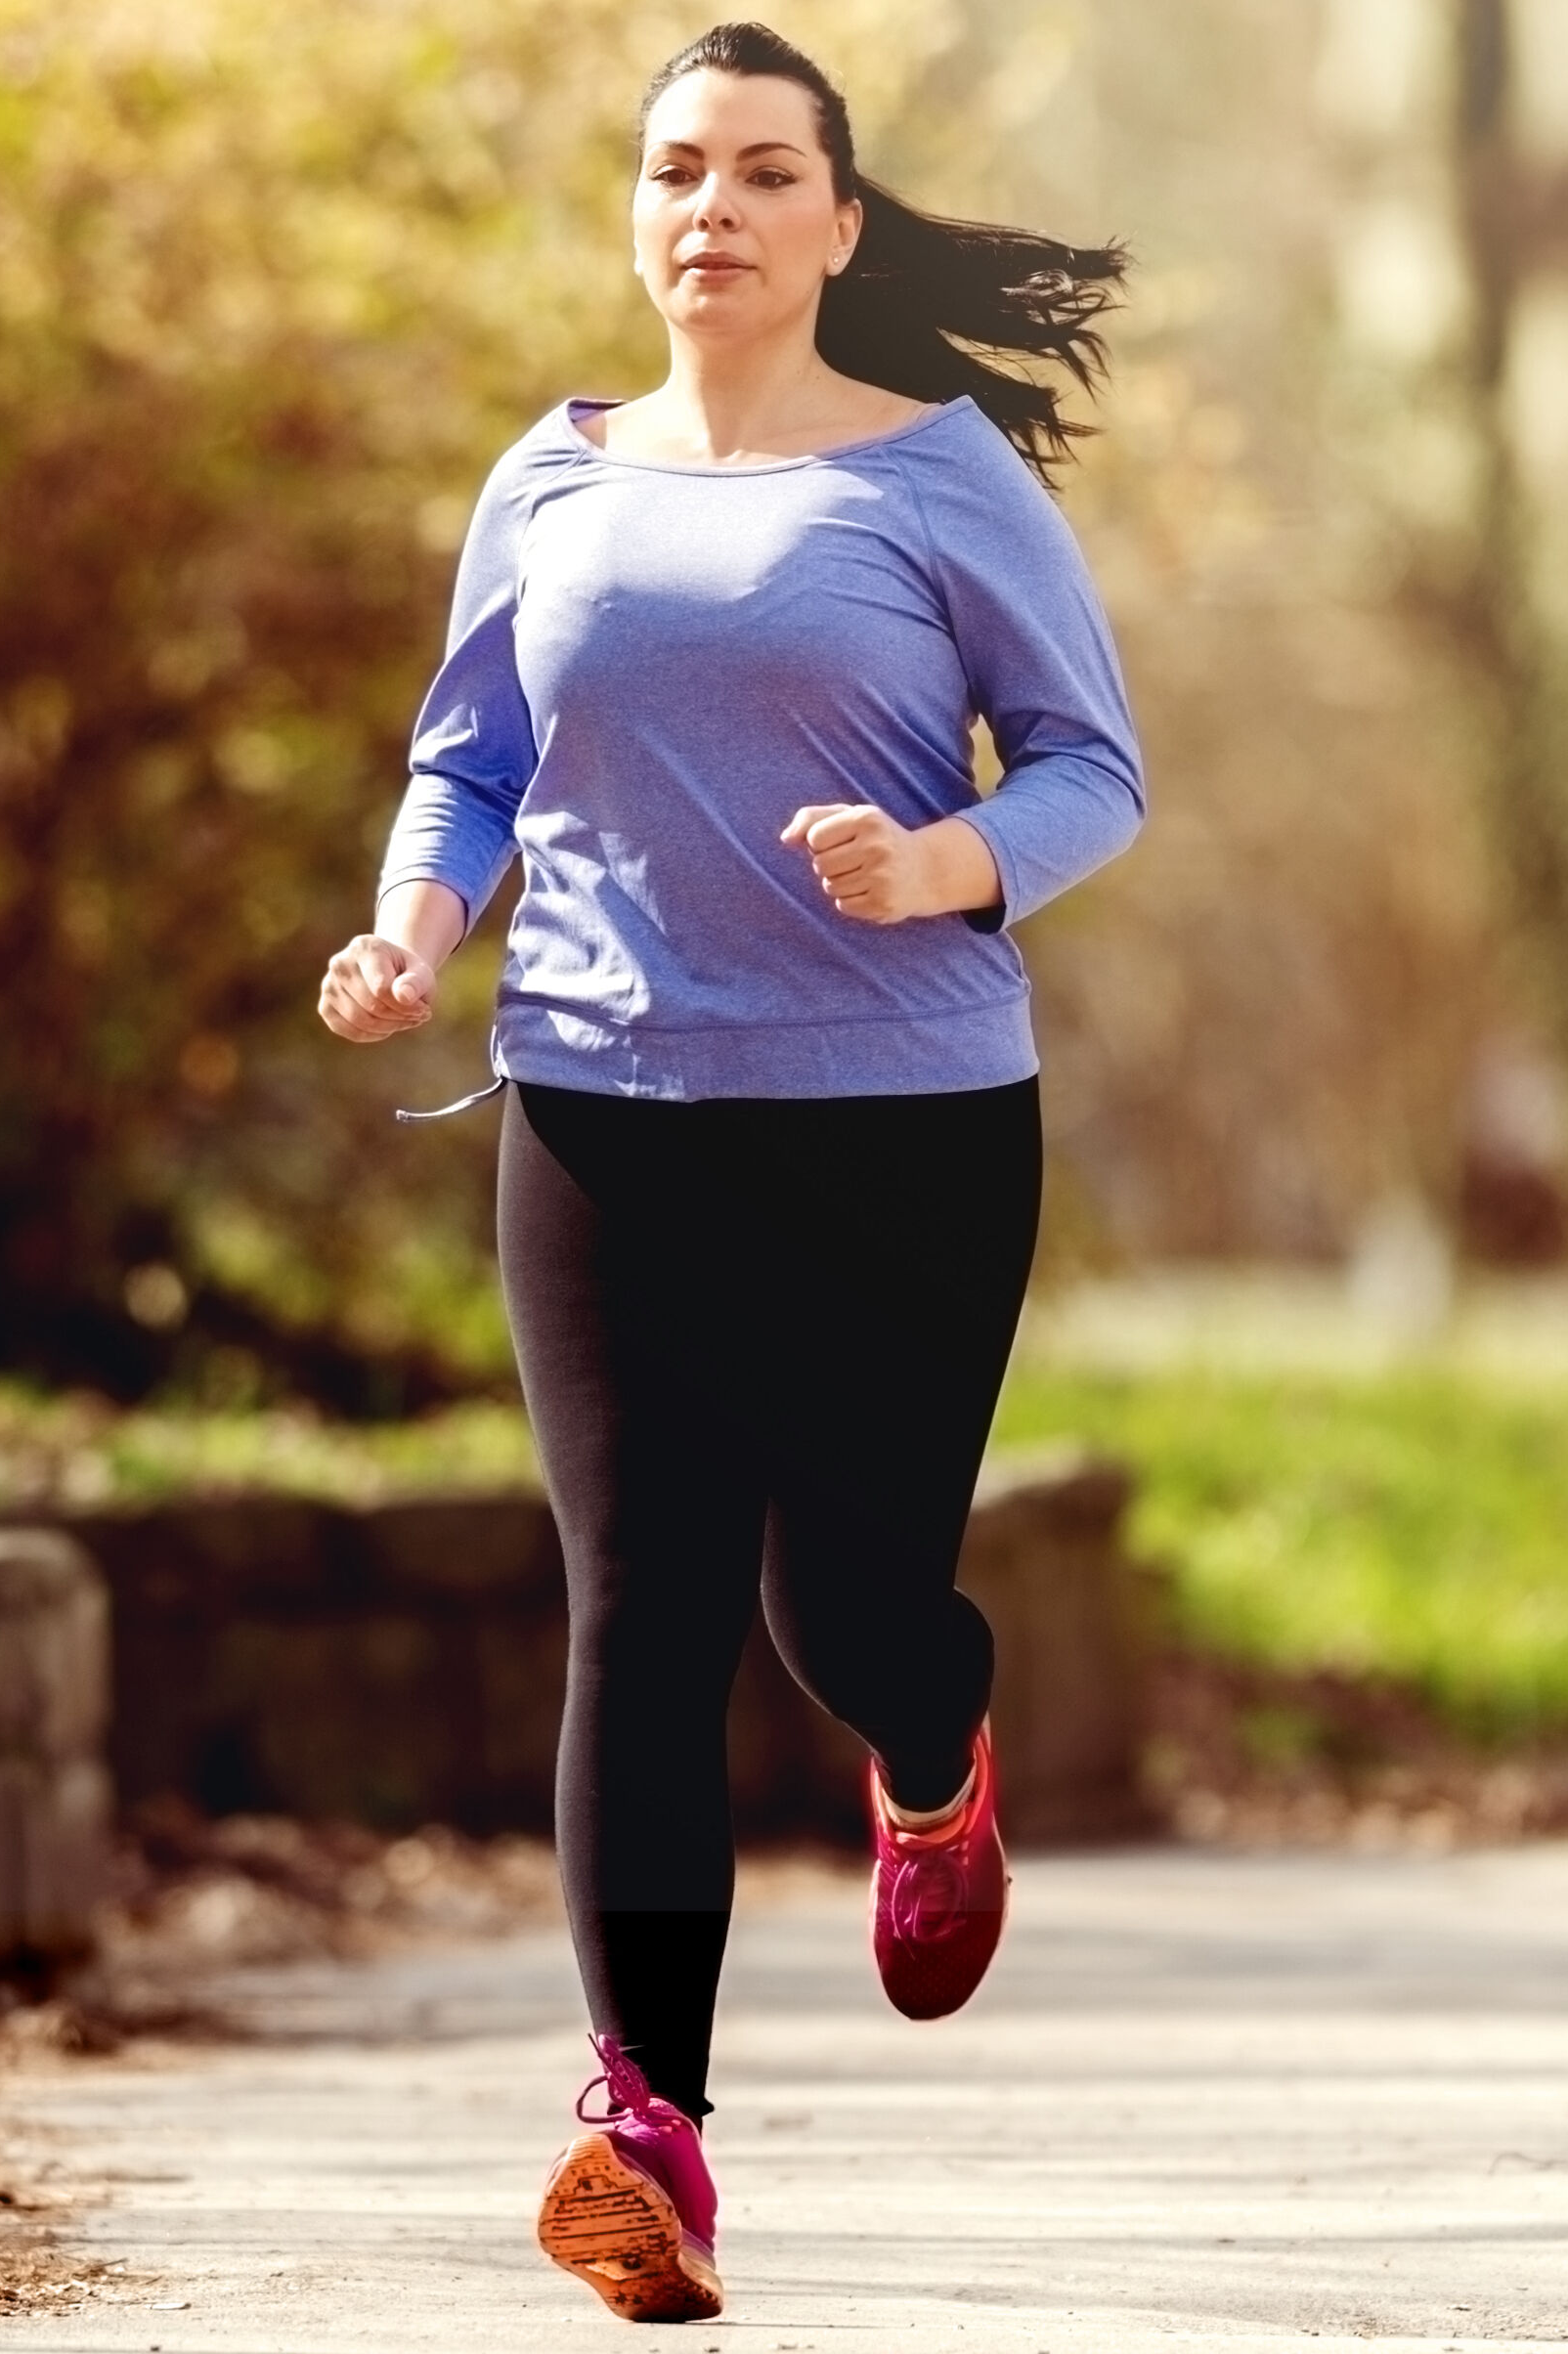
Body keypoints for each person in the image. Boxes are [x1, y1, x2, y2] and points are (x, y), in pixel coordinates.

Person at [312, 20, 1140, 2327]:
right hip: (598, 1104)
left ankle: (933, 1738)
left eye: (767, 173)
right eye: (677, 168)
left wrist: (949, 857)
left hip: (903, 1121)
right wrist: (414, 923)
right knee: (642, 1614)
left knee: (839, 1610)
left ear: (838, 226)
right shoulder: (549, 479)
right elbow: (465, 760)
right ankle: (643, 2132)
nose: (715, 208)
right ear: (635, 213)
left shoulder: (941, 477)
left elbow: (1094, 768)